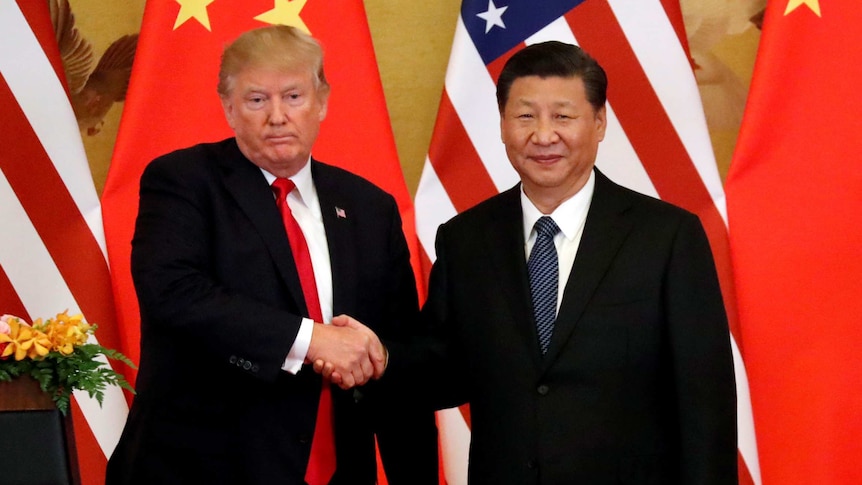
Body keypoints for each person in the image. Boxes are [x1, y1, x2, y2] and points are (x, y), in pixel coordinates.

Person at [389, 41, 738, 484]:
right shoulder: (466, 239)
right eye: (525, 116)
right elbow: (442, 372)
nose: (544, 135)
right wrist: (375, 357)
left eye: (563, 116)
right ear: (502, 125)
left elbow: (705, 405)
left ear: (599, 122)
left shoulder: (667, 237)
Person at [105, 25, 437, 485]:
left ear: (322, 101)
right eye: (257, 100)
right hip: (203, 470)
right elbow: (173, 293)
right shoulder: (183, 181)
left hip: (337, 470)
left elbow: (398, 353)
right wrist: (311, 340)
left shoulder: (369, 207)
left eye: (294, 97)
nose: (277, 116)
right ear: (229, 108)